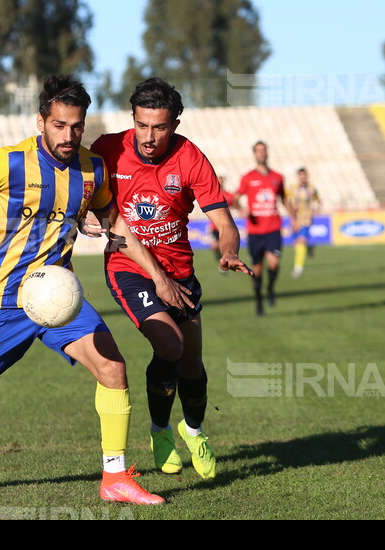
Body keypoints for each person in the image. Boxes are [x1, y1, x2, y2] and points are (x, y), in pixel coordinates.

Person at [0, 74, 185, 505]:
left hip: (59, 296)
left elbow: (116, 223)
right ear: (42, 121)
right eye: (59, 125)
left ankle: (114, 477)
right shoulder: (10, 162)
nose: (68, 134)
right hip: (2, 302)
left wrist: (156, 275)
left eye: (76, 126)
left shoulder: (92, 168)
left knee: (113, 368)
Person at [89, 77, 252, 481]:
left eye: (159, 127)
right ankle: (160, 432)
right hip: (129, 269)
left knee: (192, 366)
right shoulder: (107, 149)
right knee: (169, 343)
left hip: (181, 274)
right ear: (133, 119)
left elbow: (225, 224)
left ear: (175, 124)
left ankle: (193, 431)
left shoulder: (191, 158)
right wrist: (85, 217)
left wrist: (229, 250)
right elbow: (83, 197)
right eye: (142, 125)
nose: (148, 136)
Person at [235, 141, 287, 315]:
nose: (262, 153)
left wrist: (293, 214)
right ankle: (259, 302)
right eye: (258, 151)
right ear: (254, 154)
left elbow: (284, 198)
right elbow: (235, 198)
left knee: (274, 263)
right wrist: (241, 209)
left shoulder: (277, 177)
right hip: (255, 231)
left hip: (273, 228)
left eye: (264, 150)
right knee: (256, 271)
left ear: (267, 153)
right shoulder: (248, 177)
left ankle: (271, 288)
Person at [288, 168, 320, 278]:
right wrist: (292, 213)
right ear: (298, 176)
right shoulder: (292, 188)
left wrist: (316, 209)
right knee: (296, 243)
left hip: (306, 220)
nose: (303, 178)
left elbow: (318, 200)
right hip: (295, 220)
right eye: (301, 176)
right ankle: (308, 249)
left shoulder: (311, 188)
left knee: (300, 242)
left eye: (304, 176)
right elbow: (288, 202)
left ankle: (298, 269)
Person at [209, 177, 238, 270]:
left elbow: (235, 204)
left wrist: (241, 210)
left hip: (226, 225)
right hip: (215, 225)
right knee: (215, 246)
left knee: (225, 245)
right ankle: (219, 258)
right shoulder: (212, 194)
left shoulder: (229, 195)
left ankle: (225, 261)